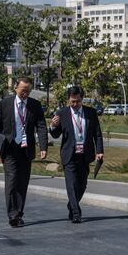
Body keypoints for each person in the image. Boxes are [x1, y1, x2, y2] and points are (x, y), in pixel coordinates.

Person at [0, 77, 48, 228]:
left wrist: (43, 147)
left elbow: (41, 126)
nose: (25, 94)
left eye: (28, 91)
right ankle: (12, 215)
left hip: (26, 149)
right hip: (9, 148)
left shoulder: (35, 105)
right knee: (11, 181)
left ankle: (19, 213)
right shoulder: (5, 104)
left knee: (22, 183)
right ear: (16, 88)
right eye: (23, 91)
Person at [49, 86, 104, 223]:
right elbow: (56, 135)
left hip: (85, 154)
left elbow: (97, 134)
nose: (75, 104)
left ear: (82, 99)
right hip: (69, 155)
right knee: (71, 184)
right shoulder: (62, 114)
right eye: (72, 101)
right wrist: (53, 126)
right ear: (68, 100)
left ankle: (71, 204)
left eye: (78, 101)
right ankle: (75, 212)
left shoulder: (90, 113)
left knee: (82, 184)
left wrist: (100, 151)